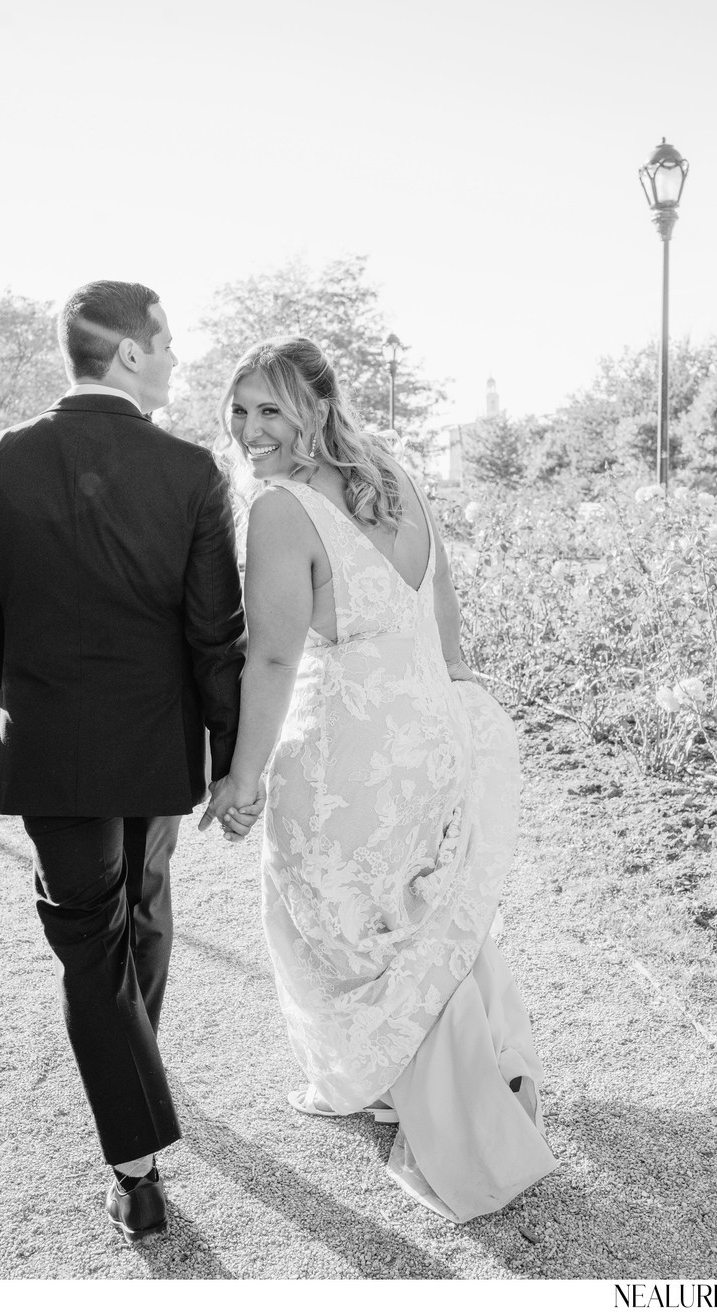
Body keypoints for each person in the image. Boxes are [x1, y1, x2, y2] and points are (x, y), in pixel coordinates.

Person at [201, 337, 557, 1222]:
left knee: (341, 916)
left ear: (317, 409)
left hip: (347, 749)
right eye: (239, 410)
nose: (250, 430)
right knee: (417, 906)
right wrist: (462, 722)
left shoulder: (281, 508)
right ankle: (460, 1062)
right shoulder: (394, 475)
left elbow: (275, 655)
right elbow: (443, 617)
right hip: (429, 726)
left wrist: (242, 779)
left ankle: (438, 1098)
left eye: (271, 409)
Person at [0, 280, 258, 1244]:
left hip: (49, 744)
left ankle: (134, 1157)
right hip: (157, 740)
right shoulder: (191, 470)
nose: (176, 361)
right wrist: (224, 753)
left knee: (92, 936)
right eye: (166, 345)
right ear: (127, 351)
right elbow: (217, 634)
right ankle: (140, 1156)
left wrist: (24, 711)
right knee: (141, 912)